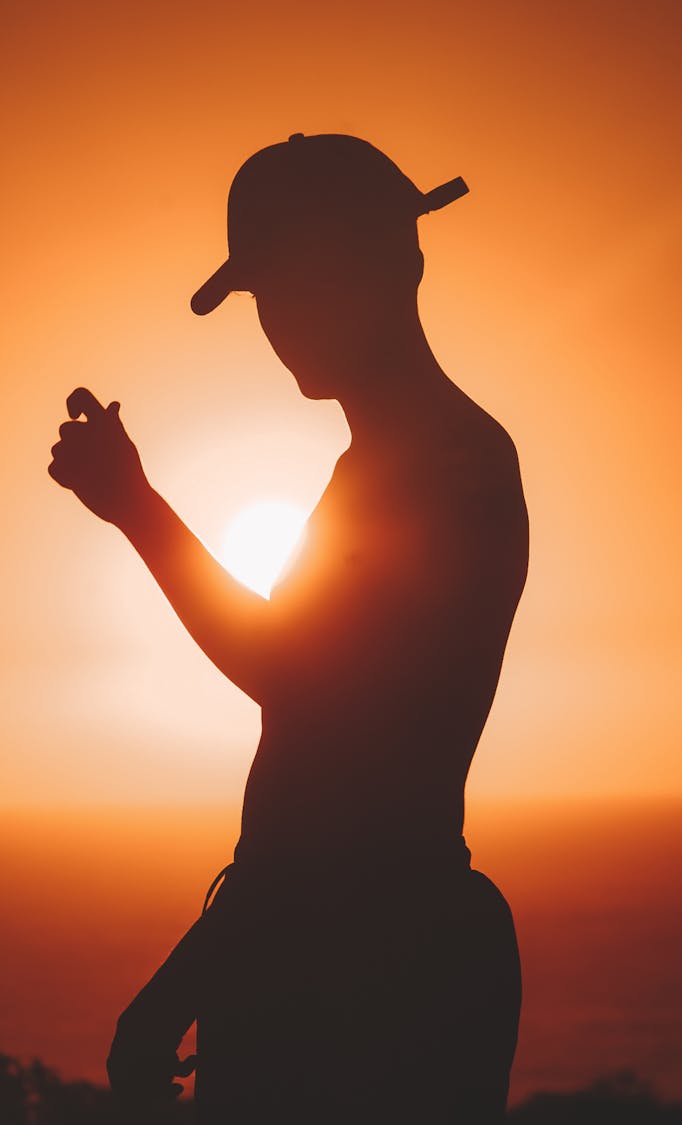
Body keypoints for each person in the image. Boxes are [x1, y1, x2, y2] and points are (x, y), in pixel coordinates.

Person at [49, 132, 529, 1123]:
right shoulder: (404, 464)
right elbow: (314, 758)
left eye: (291, 286)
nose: (279, 324)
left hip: (366, 974)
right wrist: (200, 972)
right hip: (347, 946)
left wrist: (136, 506)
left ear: (394, 264)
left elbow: (313, 712)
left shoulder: (445, 468)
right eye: (265, 299)